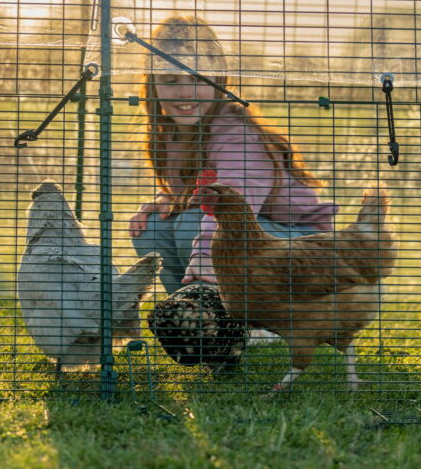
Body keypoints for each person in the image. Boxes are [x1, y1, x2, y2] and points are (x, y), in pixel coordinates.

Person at [129, 15, 338, 299]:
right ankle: (192, 317)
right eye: (169, 80)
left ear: (218, 79)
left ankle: (257, 318)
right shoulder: (168, 132)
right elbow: (198, 189)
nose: (184, 91)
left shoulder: (236, 133)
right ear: (152, 84)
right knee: (152, 228)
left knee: (192, 224)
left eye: (197, 78)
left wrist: (204, 254)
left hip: (304, 245)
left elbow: (234, 202)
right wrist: (168, 201)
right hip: (256, 236)